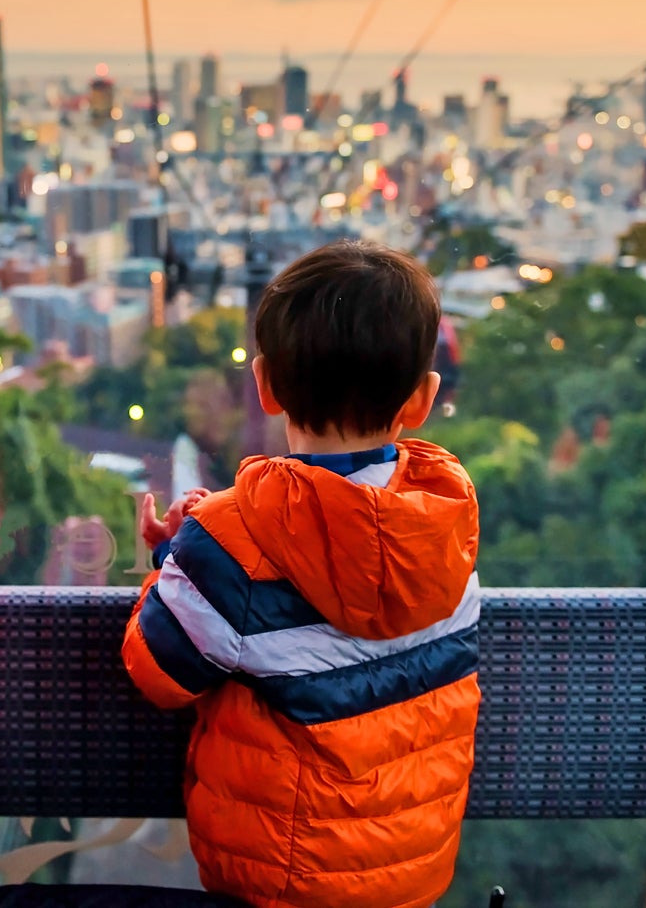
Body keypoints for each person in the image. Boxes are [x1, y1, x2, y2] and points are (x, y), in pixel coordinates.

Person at [122, 241, 481, 908]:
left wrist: (173, 560)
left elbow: (158, 671)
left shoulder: (236, 539)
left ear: (266, 386)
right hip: (413, 877)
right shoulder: (446, 530)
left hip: (281, 887)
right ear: (422, 399)